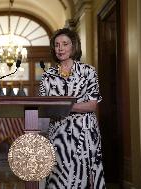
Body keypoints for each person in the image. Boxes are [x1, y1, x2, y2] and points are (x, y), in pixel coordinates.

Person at [39, 28, 106, 189]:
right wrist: (58, 107)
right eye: (56, 45)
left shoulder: (88, 71)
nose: (60, 48)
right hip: (58, 135)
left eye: (65, 44)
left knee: (84, 180)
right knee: (58, 181)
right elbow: (43, 106)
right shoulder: (47, 76)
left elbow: (92, 104)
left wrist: (65, 106)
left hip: (85, 134)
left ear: (73, 46)